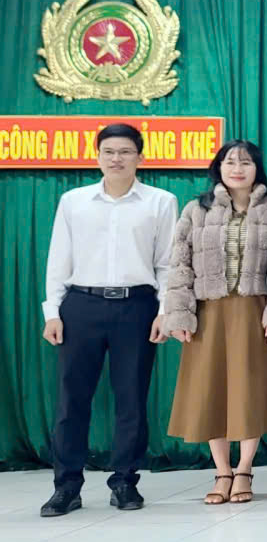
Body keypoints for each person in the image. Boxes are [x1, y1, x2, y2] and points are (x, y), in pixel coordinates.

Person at [39, 123, 177, 517]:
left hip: (137, 307)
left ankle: (125, 482)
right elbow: (58, 259)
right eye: (109, 151)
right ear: (97, 156)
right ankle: (66, 487)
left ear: (140, 157)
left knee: (131, 398)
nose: (117, 158)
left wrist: (164, 311)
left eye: (125, 151)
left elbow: (167, 264)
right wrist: (53, 312)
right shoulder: (74, 201)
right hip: (81, 306)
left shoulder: (161, 202)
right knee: (71, 401)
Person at [165, 140, 267, 505]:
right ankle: (222, 471)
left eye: (246, 162)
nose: (237, 169)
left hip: (257, 311)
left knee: (250, 390)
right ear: (218, 168)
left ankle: (245, 469)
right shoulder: (197, 210)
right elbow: (180, 264)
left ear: (258, 169)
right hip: (209, 312)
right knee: (211, 390)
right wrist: (179, 313)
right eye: (230, 162)